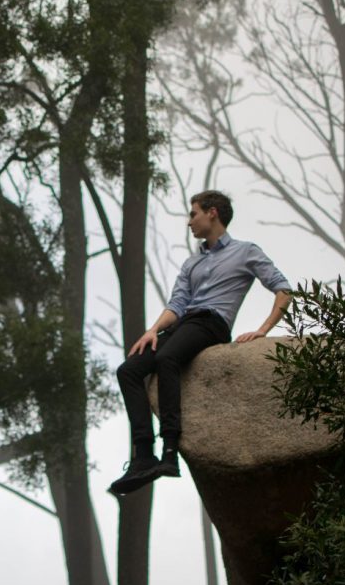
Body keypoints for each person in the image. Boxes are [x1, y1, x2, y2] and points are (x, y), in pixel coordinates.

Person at [109, 190, 292, 495]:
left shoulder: (246, 251)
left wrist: (263, 330)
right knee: (128, 370)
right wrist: (152, 330)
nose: (189, 221)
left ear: (213, 213)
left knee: (167, 360)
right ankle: (143, 455)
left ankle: (170, 451)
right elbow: (177, 304)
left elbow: (283, 290)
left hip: (212, 324)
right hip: (184, 323)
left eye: (193, 213)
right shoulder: (192, 264)